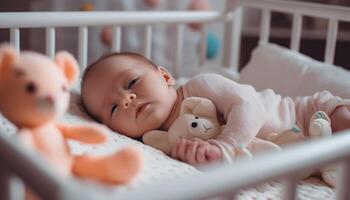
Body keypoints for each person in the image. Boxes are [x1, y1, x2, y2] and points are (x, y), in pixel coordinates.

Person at [81, 52, 350, 165]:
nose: (127, 99)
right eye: (113, 109)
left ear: (165, 77)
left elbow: (248, 105)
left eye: (131, 82)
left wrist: (225, 144)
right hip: (301, 155)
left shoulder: (200, 86)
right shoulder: (158, 144)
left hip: (310, 115)